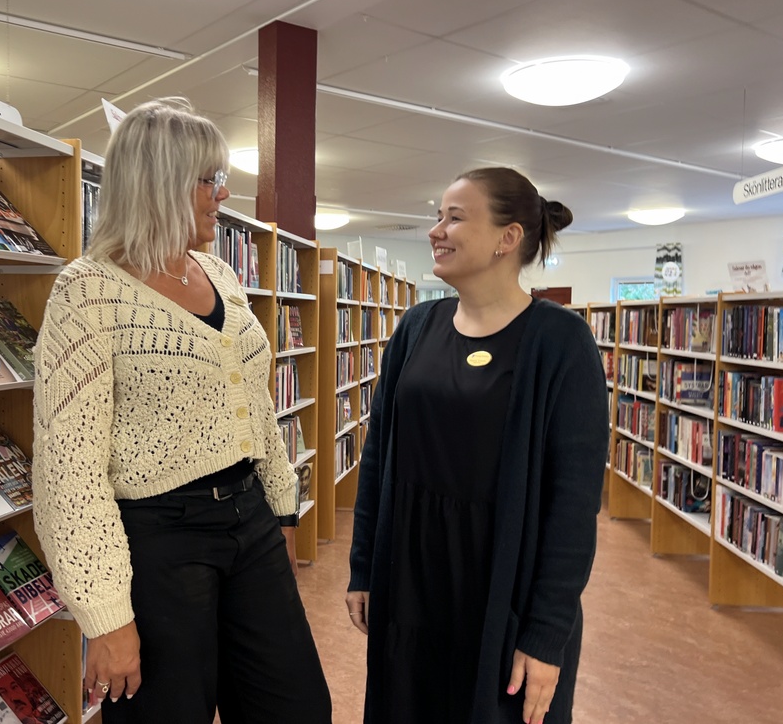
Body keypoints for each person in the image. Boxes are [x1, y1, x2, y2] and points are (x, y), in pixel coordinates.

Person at [32, 97, 331, 723]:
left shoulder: (221, 274)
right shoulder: (87, 291)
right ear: (159, 181)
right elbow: (69, 475)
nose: (221, 194)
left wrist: (279, 503)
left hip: (249, 520)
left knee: (297, 704)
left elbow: (253, 399)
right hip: (158, 538)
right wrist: (107, 618)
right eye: (209, 179)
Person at [346, 167, 608, 724]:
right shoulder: (416, 326)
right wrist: (364, 567)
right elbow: (379, 458)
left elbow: (573, 504)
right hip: (411, 580)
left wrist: (546, 635)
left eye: (455, 217)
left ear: (507, 239)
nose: (436, 230)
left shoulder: (561, 342)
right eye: (438, 216)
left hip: (502, 591)